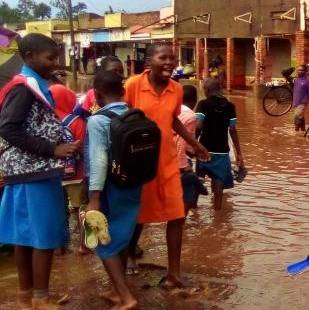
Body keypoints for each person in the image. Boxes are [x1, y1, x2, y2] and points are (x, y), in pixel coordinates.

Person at [0, 33, 81, 308]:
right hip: (34, 172)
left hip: (25, 171)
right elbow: (8, 128)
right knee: (44, 236)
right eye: (50, 58)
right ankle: (40, 297)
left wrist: (61, 146)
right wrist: (52, 149)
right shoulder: (25, 87)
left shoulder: (30, 84)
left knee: (24, 236)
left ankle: (26, 295)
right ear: (30, 57)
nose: (55, 63)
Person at [123, 42, 209, 287]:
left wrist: (196, 144)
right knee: (138, 215)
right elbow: (119, 120)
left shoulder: (176, 89)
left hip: (168, 162)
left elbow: (173, 120)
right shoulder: (133, 85)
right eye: (163, 58)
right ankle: (130, 255)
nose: (169, 62)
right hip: (138, 163)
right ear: (149, 62)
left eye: (172, 58)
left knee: (177, 214)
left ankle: (174, 274)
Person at [85, 70, 141, 310]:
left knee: (101, 239)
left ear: (96, 95)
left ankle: (126, 297)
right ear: (123, 91)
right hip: (133, 185)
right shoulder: (136, 115)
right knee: (122, 237)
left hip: (108, 188)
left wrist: (94, 197)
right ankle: (117, 291)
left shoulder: (98, 121)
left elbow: (99, 161)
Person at [51, 82, 91, 254]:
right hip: (76, 174)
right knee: (80, 208)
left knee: (57, 210)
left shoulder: (46, 120)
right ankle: (84, 245)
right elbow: (83, 148)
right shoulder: (76, 122)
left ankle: (60, 246)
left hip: (53, 175)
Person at [196, 78, 244, 211]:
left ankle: (193, 208)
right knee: (218, 179)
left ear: (207, 90)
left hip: (204, 149)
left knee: (199, 179)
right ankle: (217, 211)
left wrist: (193, 144)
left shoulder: (203, 104)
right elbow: (233, 129)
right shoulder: (230, 106)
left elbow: (198, 125)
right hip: (222, 151)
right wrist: (239, 152)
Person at [174, 85, 207, 213]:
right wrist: (184, 166)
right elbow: (182, 142)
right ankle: (180, 222)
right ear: (195, 99)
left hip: (168, 158)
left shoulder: (173, 111)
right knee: (187, 197)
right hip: (181, 160)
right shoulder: (191, 116)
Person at [292, 64, 309, 131]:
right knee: (300, 116)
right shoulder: (295, 80)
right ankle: (303, 130)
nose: (300, 71)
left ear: (305, 71)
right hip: (295, 102)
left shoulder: (308, 81)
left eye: (302, 70)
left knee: (297, 116)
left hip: (302, 102)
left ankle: (296, 132)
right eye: (299, 70)